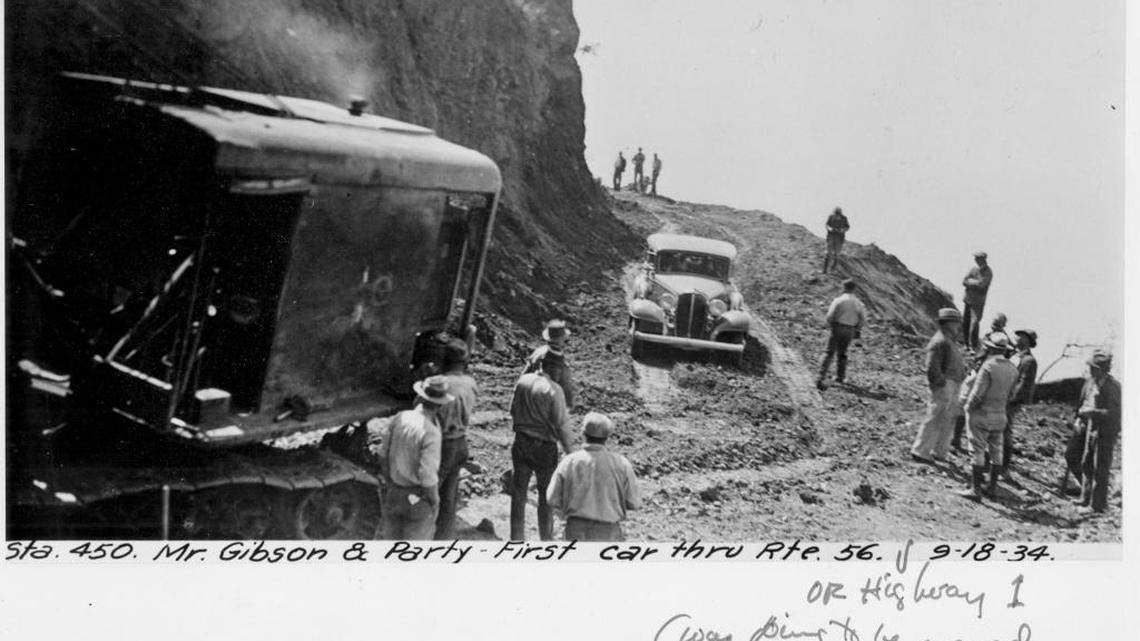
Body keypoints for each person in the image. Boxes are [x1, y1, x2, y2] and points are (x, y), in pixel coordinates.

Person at [547, 412, 642, 541]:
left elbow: (552, 499)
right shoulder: (621, 463)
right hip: (608, 532)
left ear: (583, 434)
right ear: (607, 437)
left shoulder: (569, 462)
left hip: (576, 530)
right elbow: (634, 502)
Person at [378, 375, 452, 540]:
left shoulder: (400, 417)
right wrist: (434, 500)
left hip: (394, 491)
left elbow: (382, 454)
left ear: (420, 397)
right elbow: (427, 475)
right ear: (440, 405)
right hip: (418, 497)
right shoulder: (431, 433)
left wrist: (390, 481)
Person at [509, 357, 575, 540]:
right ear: (553, 368)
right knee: (546, 497)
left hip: (521, 442)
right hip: (544, 448)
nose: (560, 374)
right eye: (559, 369)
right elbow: (561, 425)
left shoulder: (523, 381)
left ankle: (516, 539)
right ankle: (545, 541)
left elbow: (512, 410)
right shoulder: (554, 390)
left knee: (518, 494)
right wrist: (570, 452)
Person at [959, 334, 1018, 500]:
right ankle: (991, 488)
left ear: (990, 348)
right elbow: (1012, 395)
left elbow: (977, 394)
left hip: (982, 413)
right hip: (1000, 414)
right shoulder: (1013, 368)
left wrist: (968, 407)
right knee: (996, 450)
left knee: (977, 450)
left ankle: (975, 489)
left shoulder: (988, 366)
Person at [433, 338, 478, 540]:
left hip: (444, 444)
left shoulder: (441, 383)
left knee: (429, 492)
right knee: (449, 497)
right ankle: (444, 539)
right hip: (461, 442)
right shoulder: (470, 383)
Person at [911, 308, 967, 464]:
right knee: (935, 416)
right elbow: (932, 365)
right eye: (955, 322)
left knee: (947, 418)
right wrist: (939, 382)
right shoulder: (939, 340)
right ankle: (921, 451)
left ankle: (940, 451)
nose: (958, 326)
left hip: (953, 383)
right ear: (947, 323)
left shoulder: (949, 340)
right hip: (945, 384)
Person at [1076, 349, 1121, 513]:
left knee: (1100, 467)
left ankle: (1097, 505)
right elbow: (1084, 400)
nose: (1090, 370)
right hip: (1092, 427)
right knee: (1087, 462)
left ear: (1102, 370)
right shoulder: (1092, 382)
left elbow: (1113, 413)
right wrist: (1081, 417)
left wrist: (1092, 412)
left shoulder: (1112, 386)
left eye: (1094, 368)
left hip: (1106, 431)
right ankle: (1085, 497)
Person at [816, 279, 866, 389]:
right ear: (854, 289)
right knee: (843, 353)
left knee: (829, 352)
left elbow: (830, 315)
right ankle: (840, 377)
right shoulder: (858, 303)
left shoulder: (839, 300)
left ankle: (821, 375)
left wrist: (829, 324)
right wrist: (857, 329)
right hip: (850, 329)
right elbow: (862, 319)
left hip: (837, 327)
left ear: (844, 287)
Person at [1003, 328, 1038, 478]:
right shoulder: (1013, 355)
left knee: (1005, 430)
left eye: (1020, 336)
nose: (1016, 338)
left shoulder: (1029, 361)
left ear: (1027, 341)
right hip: (1001, 396)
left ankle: (1004, 467)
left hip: (1011, 401)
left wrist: (1011, 400)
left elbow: (1024, 384)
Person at [524, 319, 575, 410]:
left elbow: (524, 375)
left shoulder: (538, 352)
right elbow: (559, 385)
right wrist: (569, 404)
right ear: (561, 339)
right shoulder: (555, 359)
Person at [961, 251, 993, 351]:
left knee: (974, 323)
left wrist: (971, 282)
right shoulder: (974, 269)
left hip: (978, 302)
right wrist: (974, 282)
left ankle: (973, 346)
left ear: (982, 259)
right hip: (968, 299)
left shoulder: (988, 272)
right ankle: (966, 345)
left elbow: (982, 285)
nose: (975, 259)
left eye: (977, 258)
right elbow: (964, 281)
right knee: (966, 322)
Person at [822, 207, 850, 273]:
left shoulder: (844, 218)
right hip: (831, 236)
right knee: (828, 253)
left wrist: (842, 230)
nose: (837, 214)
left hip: (839, 238)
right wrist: (830, 229)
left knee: (836, 254)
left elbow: (847, 227)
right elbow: (827, 225)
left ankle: (833, 270)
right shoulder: (831, 217)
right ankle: (825, 270)